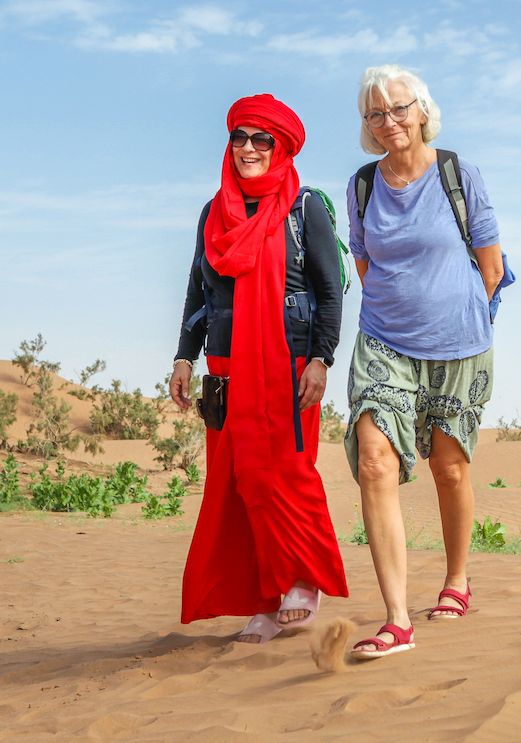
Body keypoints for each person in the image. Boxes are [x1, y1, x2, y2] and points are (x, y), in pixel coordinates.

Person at [170, 94, 348, 643]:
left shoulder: (303, 207)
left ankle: (303, 580)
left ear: (282, 147)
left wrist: (321, 358)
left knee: (286, 475)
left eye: (261, 140)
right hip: (225, 367)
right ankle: (265, 599)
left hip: (287, 365)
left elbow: (328, 290)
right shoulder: (213, 211)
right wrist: (184, 355)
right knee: (239, 485)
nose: (248, 148)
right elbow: (200, 291)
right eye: (239, 138)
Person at [344, 64, 503, 659]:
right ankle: (395, 619)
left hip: (459, 345)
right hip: (383, 341)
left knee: (449, 469)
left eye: (399, 108)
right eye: (376, 114)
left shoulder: (460, 175)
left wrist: (455, 317)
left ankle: (457, 580)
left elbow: (490, 267)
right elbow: (365, 266)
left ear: (422, 110)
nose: (390, 122)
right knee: (375, 461)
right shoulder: (362, 186)